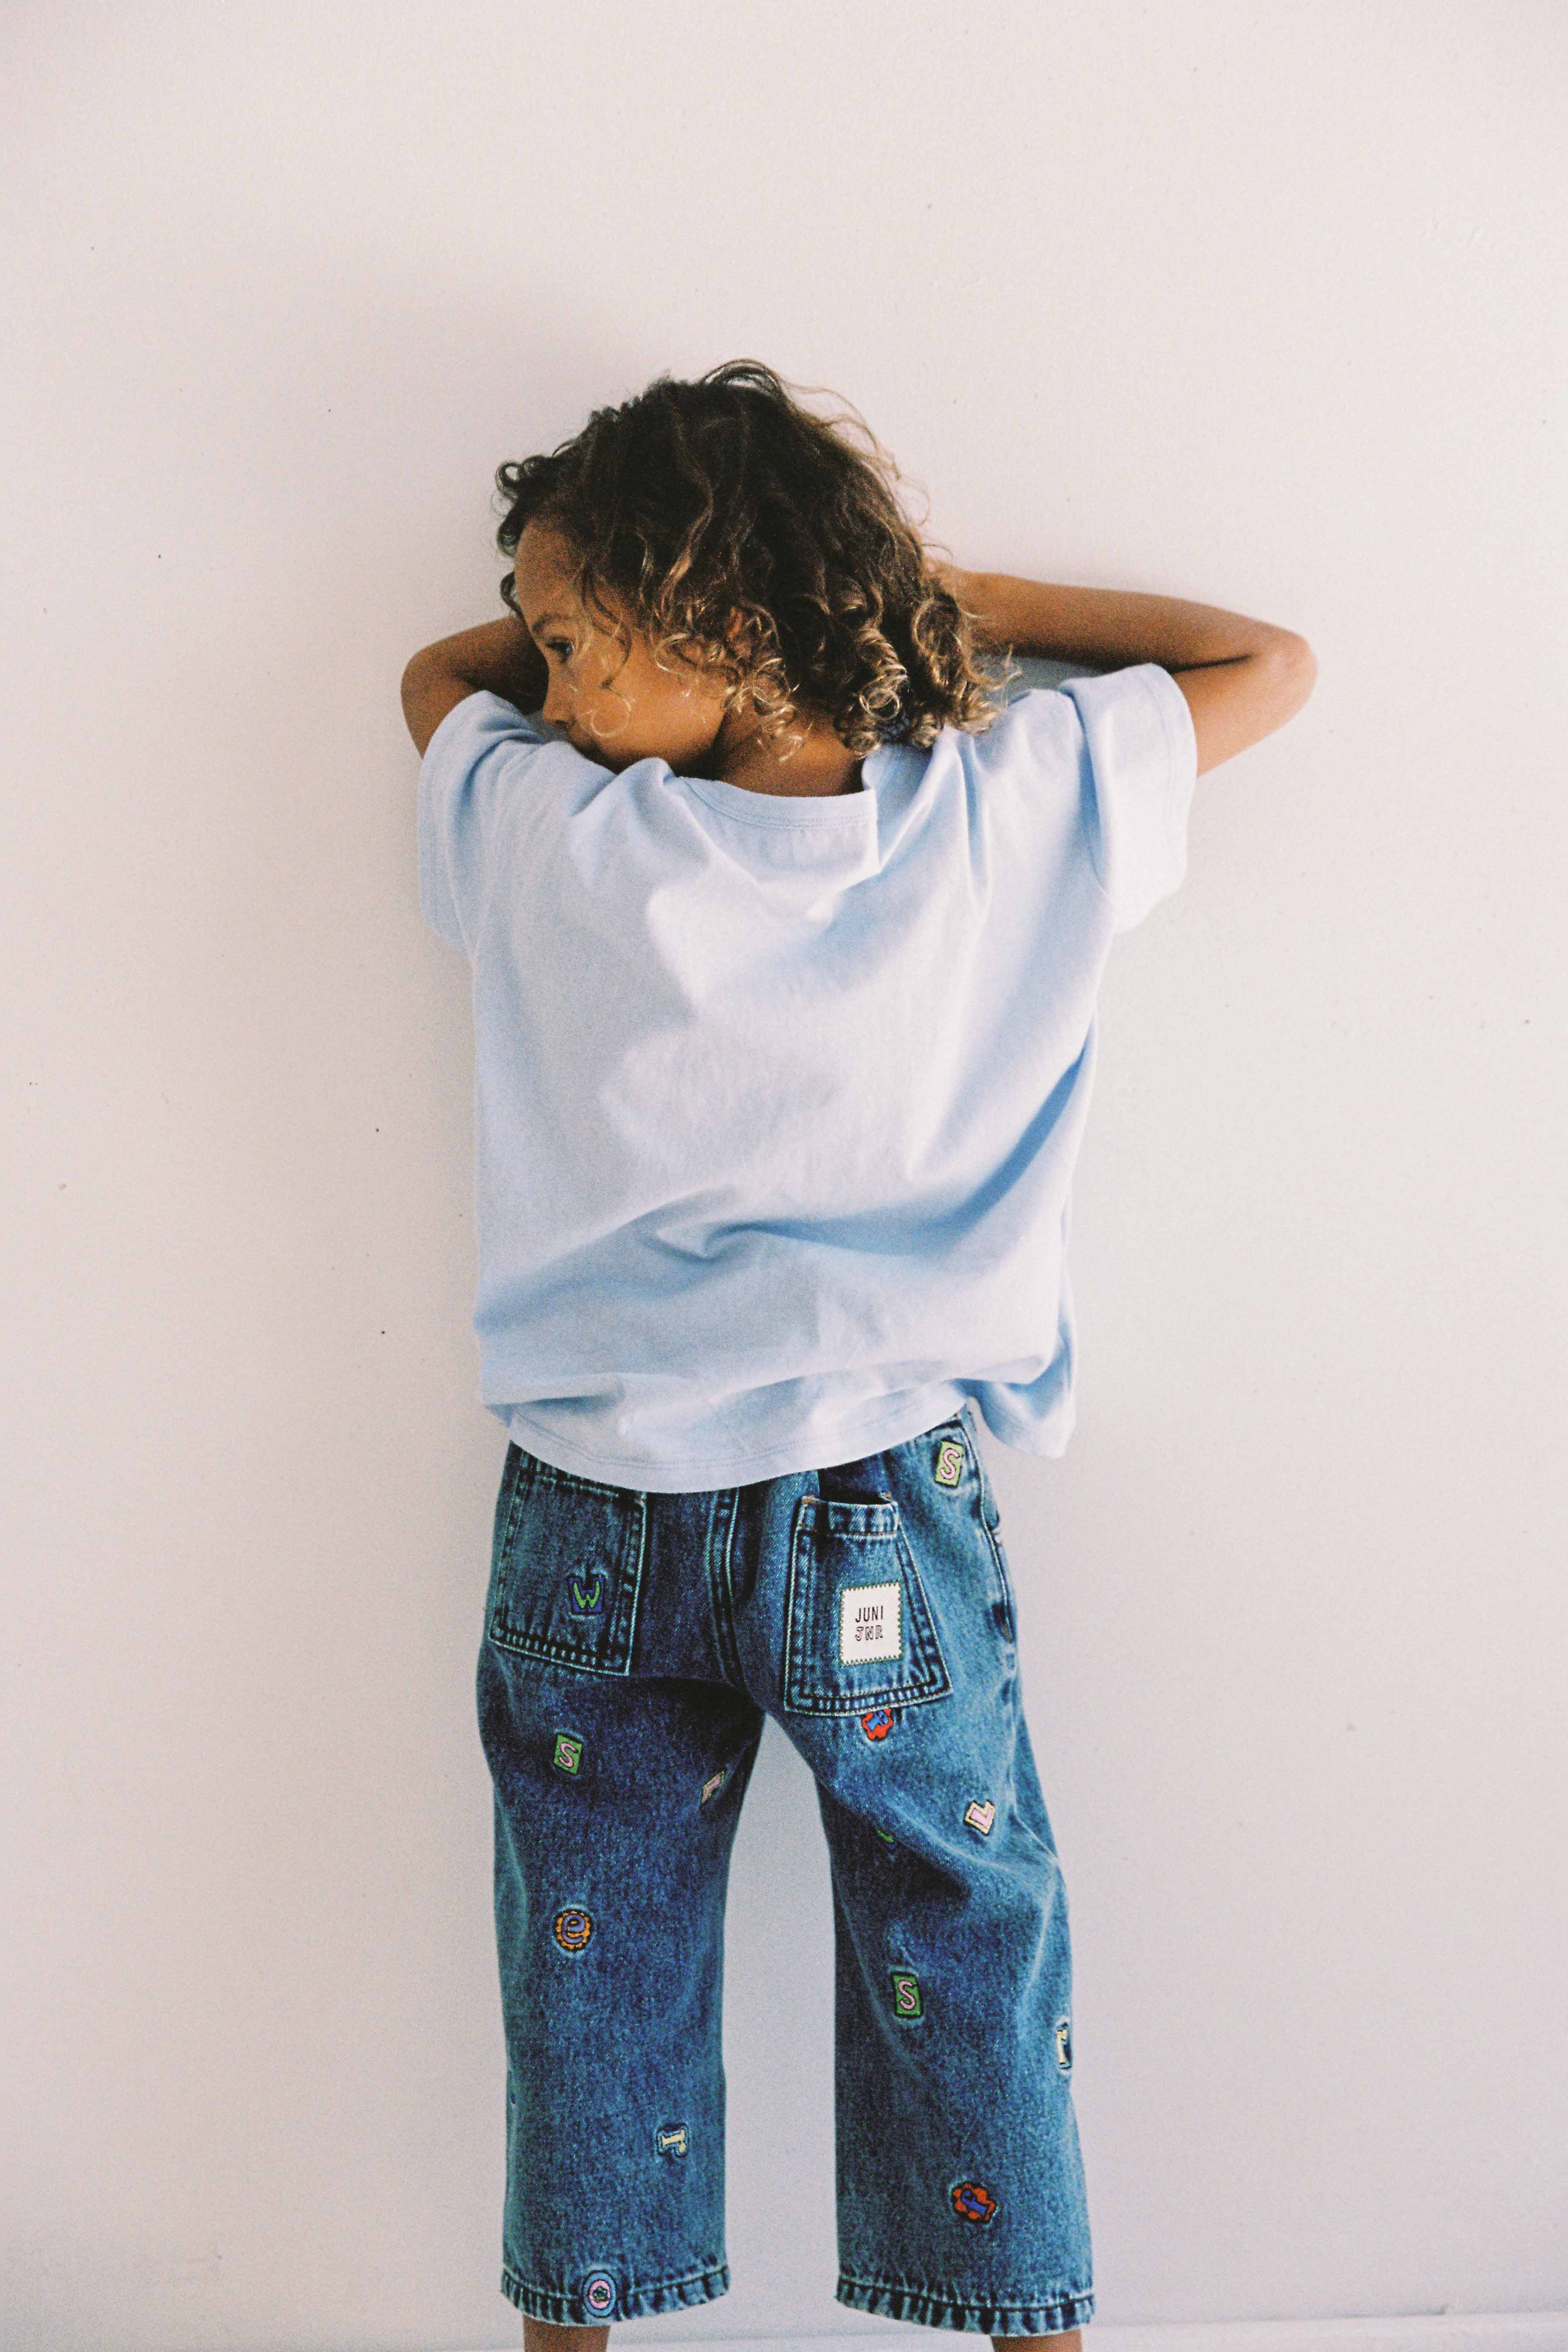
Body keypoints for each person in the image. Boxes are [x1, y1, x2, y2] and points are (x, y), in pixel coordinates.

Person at [400, 359, 1317, 2352]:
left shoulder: (560, 838)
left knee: (591, 1955)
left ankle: (577, 2331)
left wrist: (626, 638)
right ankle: (1032, 2334)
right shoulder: (998, 821)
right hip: (878, 1500)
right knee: (965, 1935)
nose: (551, 697)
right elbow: (1266, 661)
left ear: (717, 624)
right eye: (551, 658)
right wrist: (925, 595)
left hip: (594, 1508)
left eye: (579, 645)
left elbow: (424, 684)